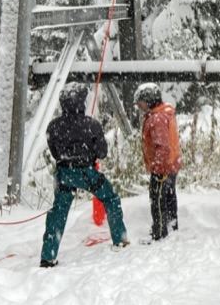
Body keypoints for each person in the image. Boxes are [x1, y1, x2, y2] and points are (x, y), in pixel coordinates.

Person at [41, 83, 129, 267]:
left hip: (64, 172)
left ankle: (48, 256)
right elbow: (102, 152)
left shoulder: (53, 126)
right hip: (87, 171)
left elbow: (54, 151)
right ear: (81, 101)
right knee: (111, 199)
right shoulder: (91, 125)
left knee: (58, 212)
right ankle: (120, 239)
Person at [135, 83, 183, 243]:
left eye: (140, 102)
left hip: (163, 166)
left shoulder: (157, 118)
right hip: (171, 164)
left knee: (157, 198)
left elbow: (162, 146)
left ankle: (159, 231)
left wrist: (157, 168)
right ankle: (171, 224)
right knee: (168, 196)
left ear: (149, 101)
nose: (138, 106)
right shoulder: (163, 113)